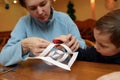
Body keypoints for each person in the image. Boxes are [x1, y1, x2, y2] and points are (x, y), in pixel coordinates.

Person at [0, 0, 86, 66]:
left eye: (43, 4)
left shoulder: (64, 19)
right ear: (26, 8)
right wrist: (24, 45)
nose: (40, 12)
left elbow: (83, 47)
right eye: (33, 8)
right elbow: (3, 58)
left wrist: (74, 45)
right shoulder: (24, 23)